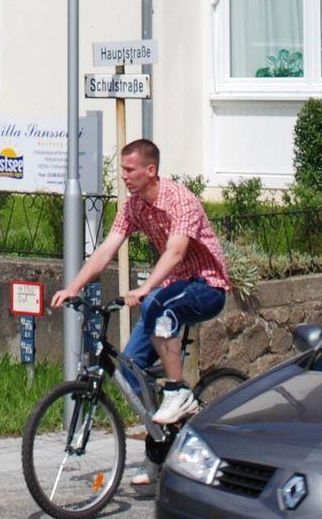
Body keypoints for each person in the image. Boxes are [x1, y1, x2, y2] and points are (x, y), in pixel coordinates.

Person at [53, 138, 230, 428]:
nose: (124, 176)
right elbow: (107, 249)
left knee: (160, 308)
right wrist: (74, 287)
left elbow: (176, 252)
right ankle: (165, 436)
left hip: (207, 286)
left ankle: (177, 391)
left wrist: (146, 288)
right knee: (130, 369)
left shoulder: (179, 200)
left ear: (150, 170)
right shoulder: (133, 206)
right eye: (122, 169)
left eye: (130, 170)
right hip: (174, 287)